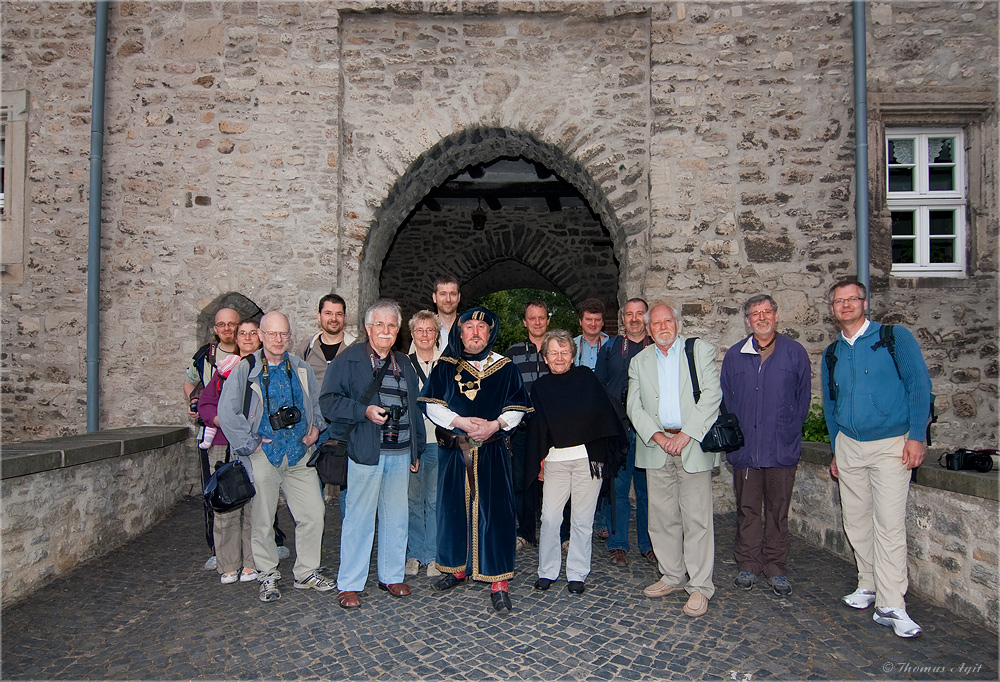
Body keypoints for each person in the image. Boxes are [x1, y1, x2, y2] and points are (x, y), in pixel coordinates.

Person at [822, 278, 931, 638]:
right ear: (833, 309)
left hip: (890, 445)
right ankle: (867, 584)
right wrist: (837, 448)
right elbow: (831, 403)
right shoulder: (832, 352)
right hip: (850, 445)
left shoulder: (893, 337)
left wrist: (916, 436)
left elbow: (919, 385)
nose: (846, 305)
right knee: (856, 520)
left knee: (888, 524)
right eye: (839, 301)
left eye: (852, 299)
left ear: (865, 303)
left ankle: (892, 604)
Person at [218, 311, 334, 603]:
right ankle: (267, 574)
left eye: (284, 334)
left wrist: (315, 430)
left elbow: (318, 405)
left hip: (298, 453)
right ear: (261, 335)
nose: (279, 339)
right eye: (272, 334)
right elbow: (226, 412)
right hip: (264, 455)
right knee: (262, 519)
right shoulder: (247, 368)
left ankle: (306, 571)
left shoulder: (301, 368)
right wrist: (251, 443)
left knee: (313, 513)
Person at [419, 307, 530, 612]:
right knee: (454, 510)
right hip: (455, 452)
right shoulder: (445, 366)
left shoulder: (505, 368)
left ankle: (499, 579)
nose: (476, 333)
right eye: (469, 327)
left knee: (496, 513)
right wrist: (462, 422)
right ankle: (457, 568)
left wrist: (495, 425)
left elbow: (517, 407)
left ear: (490, 333)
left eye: (482, 327)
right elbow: (431, 406)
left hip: (493, 451)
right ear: (459, 331)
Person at [320, 299, 425, 609]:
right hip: (365, 451)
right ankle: (350, 583)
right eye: (379, 324)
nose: (385, 330)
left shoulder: (404, 363)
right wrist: (362, 410)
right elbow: (328, 402)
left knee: (396, 517)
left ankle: (391, 575)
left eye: (391, 326)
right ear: (368, 328)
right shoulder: (348, 360)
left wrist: (416, 446)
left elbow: (415, 409)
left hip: (400, 451)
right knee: (358, 519)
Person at [627, 300, 721, 618]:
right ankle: (672, 575)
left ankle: (699, 587)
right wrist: (659, 437)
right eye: (656, 323)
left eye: (668, 321)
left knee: (696, 518)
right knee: (662, 516)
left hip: (691, 442)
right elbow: (634, 407)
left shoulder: (699, 352)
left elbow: (712, 396)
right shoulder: (639, 362)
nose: (663, 327)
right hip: (656, 445)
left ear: (677, 324)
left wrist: (686, 435)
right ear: (649, 330)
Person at [720, 294, 810, 596]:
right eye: (755, 313)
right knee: (747, 510)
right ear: (747, 320)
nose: (761, 317)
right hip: (746, 450)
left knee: (777, 511)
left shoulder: (794, 353)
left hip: (780, 448)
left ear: (776, 315)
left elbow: (802, 402)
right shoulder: (735, 355)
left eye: (766, 312)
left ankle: (775, 566)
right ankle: (747, 564)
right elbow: (728, 402)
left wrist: (787, 433)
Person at [527, 330, 626, 595]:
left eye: (564, 352)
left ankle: (577, 573)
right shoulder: (539, 387)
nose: (559, 357)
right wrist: (539, 462)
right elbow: (537, 429)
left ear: (573, 355)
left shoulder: (586, 378)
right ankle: (547, 571)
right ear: (545, 358)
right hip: (555, 461)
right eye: (553, 353)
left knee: (582, 520)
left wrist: (603, 454)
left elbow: (601, 416)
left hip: (587, 460)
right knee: (549, 518)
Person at [594, 297, 655, 568]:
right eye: (629, 314)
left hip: (650, 433)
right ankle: (618, 544)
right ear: (622, 318)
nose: (633, 319)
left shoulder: (657, 346)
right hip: (619, 430)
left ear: (646, 317)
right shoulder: (611, 348)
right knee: (617, 489)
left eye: (639, 314)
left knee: (646, 491)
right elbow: (599, 387)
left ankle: (648, 544)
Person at [182, 307, 240, 571]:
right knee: (215, 490)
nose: (227, 329)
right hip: (214, 434)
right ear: (215, 329)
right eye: (222, 325)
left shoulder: (248, 352)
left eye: (232, 324)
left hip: (241, 435)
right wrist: (195, 401)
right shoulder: (207, 356)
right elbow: (190, 382)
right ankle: (218, 549)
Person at [197, 350, 258, 585]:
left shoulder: (264, 369)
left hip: (255, 447)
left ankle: (252, 561)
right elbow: (206, 404)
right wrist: (222, 420)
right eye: (243, 333)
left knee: (255, 509)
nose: (248, 337)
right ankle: (229, 563)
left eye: (253, 333)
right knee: (226, 506)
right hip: (224, 445)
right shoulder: (224, 372)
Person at [504, 299, 550, 552]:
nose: (537, 322)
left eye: (541, 317)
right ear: (525, 322)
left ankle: (556, 531)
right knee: (521, 482)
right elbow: (506, 391)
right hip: (522, 429)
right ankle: (525, 532)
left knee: (553, 482)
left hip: (554, 431)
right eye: (532, 318)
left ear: (548, 320)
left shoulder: (557, 349)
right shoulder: (513, 354)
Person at [405, 310, 443, 578]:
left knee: (434, 500)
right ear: (412, 334)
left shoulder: (447, 365)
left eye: (430, 330)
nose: (425, 335)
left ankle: (432, 554)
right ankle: (414, 553)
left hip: (439, 441)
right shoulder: (402, 365)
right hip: (412, 443)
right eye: (420, 330)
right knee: (412, 501)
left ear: (437, 334)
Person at [300, 294, 357, 386]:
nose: (333, 319)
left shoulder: (357, 349)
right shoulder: (306, 349)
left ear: (345, 318)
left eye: (339, 314)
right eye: (328, 313)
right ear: (319, 316)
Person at [573, 297, 610, 370]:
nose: (593, 324)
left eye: (597, 320)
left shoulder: (612, 345)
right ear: (580, 321)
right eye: (589, 319)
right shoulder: (571, 345)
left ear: (603, 322)